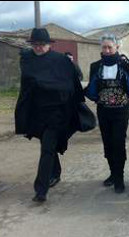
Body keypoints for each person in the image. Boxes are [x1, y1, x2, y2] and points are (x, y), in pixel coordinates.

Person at [15, 28, 85, 203]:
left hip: (56, 114)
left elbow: (70, 86)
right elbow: (26, 87)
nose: (38, 48)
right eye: (35, 44)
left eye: (42, 44)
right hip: (37, 114)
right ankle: (55, 173)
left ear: (49, 45)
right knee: (48, 146)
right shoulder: (28, 61)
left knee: (46, 149)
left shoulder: (61, 61)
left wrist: (47, 86)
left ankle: (41, 190)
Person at [87, 34, 129, 194]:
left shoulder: (126, 66)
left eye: (109, 47)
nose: (107, 50)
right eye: (104, 47)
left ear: (117, 47)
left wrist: (127, 106)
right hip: (103, 111)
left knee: (118, 143)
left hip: (121, 111)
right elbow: (92, 89)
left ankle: (119, 177)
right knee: (108, 143)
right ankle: (112, 173)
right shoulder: (95, 66)